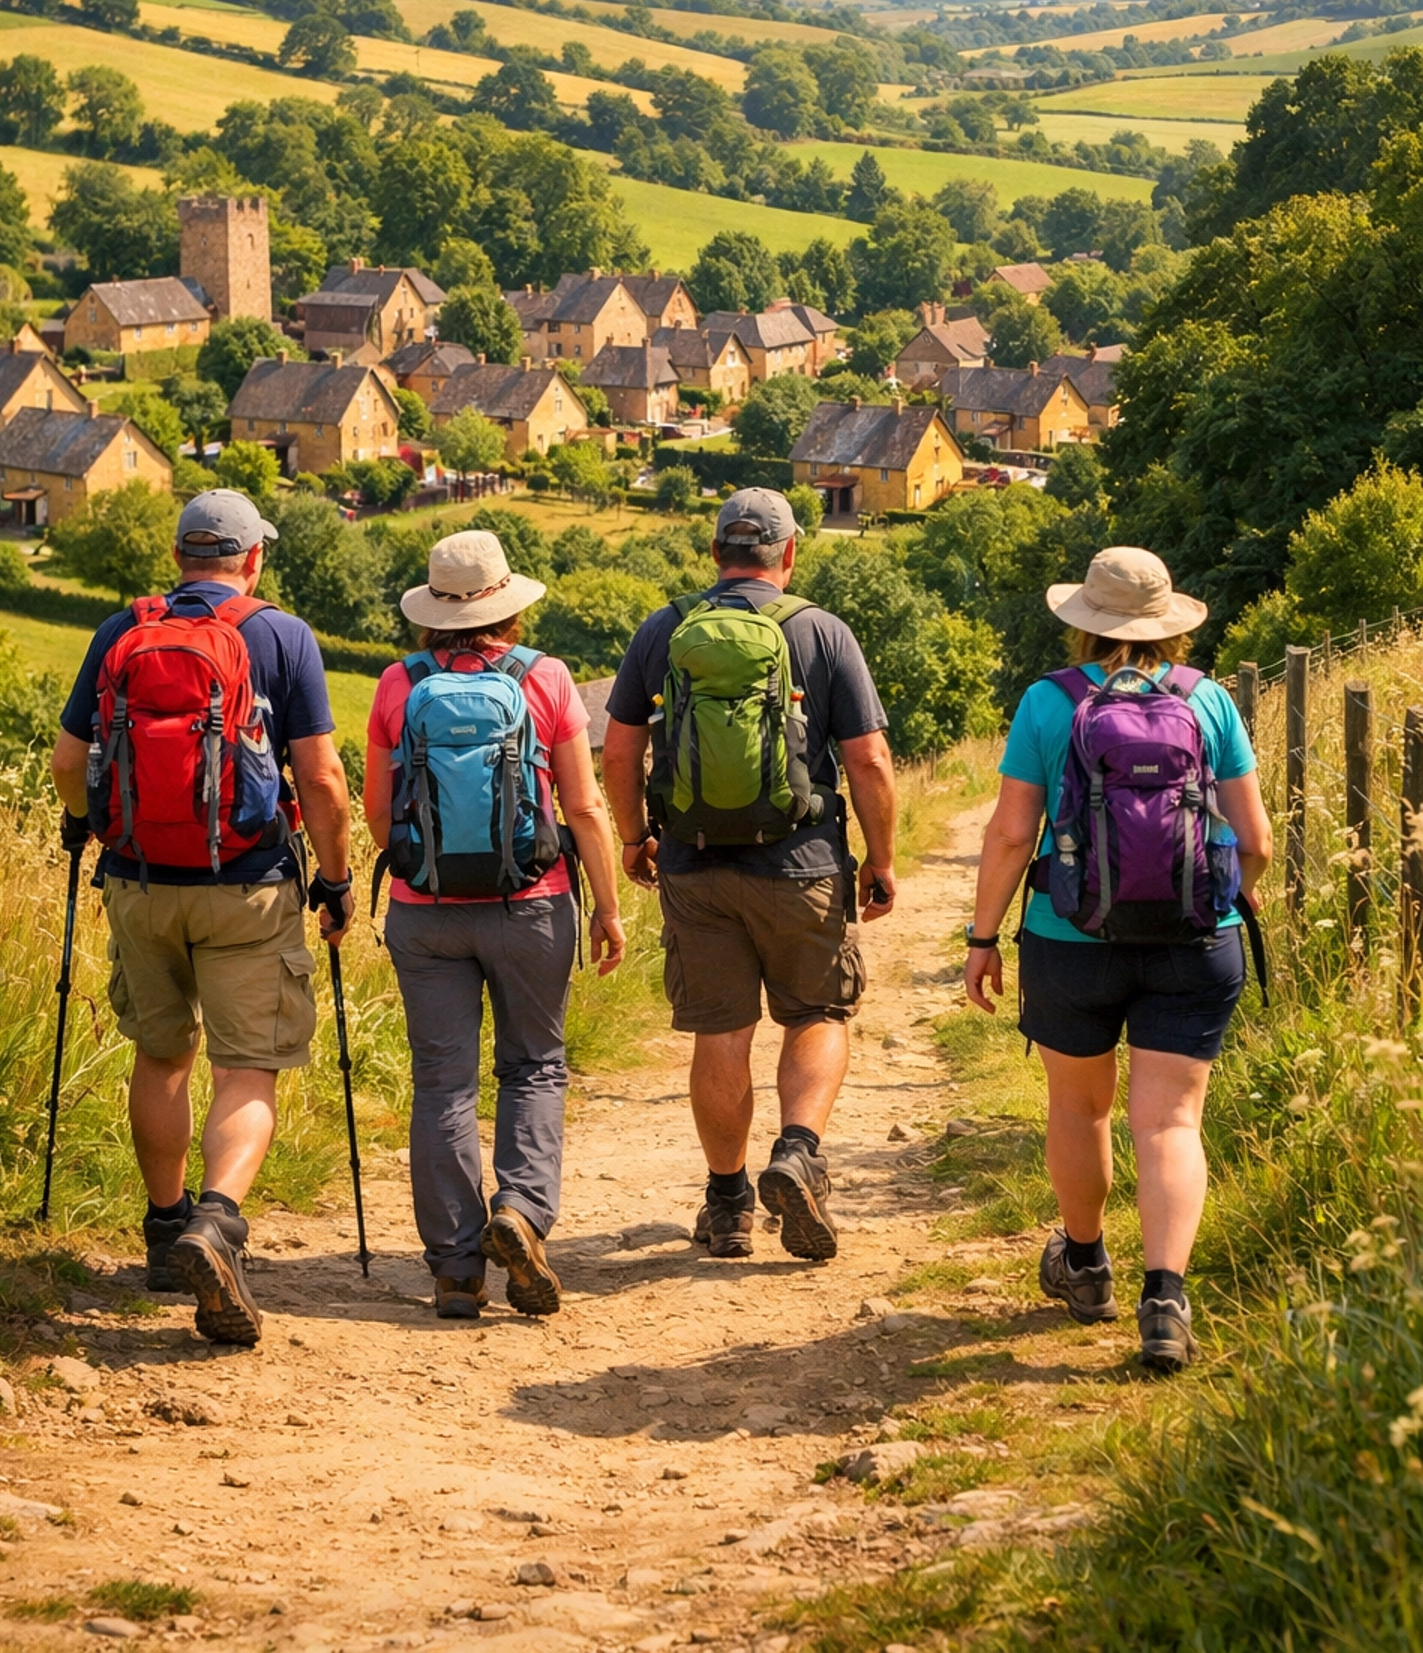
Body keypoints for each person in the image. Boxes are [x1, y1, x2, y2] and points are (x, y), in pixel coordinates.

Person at [50, 489, 352, 1348]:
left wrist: (88, 823)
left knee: (161, 1052)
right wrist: (334, 882)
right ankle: (216, 1224)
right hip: (247, 885)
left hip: (139, 882)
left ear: (181, 555)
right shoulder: (281, 636)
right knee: (249, 1066)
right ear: (253, 557)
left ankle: (160, 1229)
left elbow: (70, 759)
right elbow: (322, 781)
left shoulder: (121, 632)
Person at [964, 546, 1273, 1371]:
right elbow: (1258, 842)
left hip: (1071, 942)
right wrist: (1206, 899)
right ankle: (1166, 1302)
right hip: (1194, 941)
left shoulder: (1046, 703)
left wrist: (984, 937)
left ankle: (1087, 1262)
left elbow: (1007, 835)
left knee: (1080, 1108)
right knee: (1171, 1120)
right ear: (1168, 624)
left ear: (1083, 623)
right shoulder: (1207, 701)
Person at [602, 489, 898, 1265]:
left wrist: (635, 838)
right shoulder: (822, 631)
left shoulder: (665, 629)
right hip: (802, 863)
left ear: (714, 555)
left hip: (696, 862)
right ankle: (797, 1153)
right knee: (816, 1014)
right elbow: (867, 759)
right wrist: (882, 859)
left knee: (720, 1031)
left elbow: (620, 750)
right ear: (789, 552)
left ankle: (728, 1202)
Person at [365, 528, 623, 1322]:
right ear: (506, 604)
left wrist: (424, 868)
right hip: (533, 903)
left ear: (432, 611)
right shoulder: (545, 678)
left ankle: (453, 1270)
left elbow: (380, 815)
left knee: (442, 1081)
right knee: (535, 1066)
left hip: (426, 913)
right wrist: (607, 907)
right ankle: (520, 1213)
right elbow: (581, 806)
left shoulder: (397, 684)